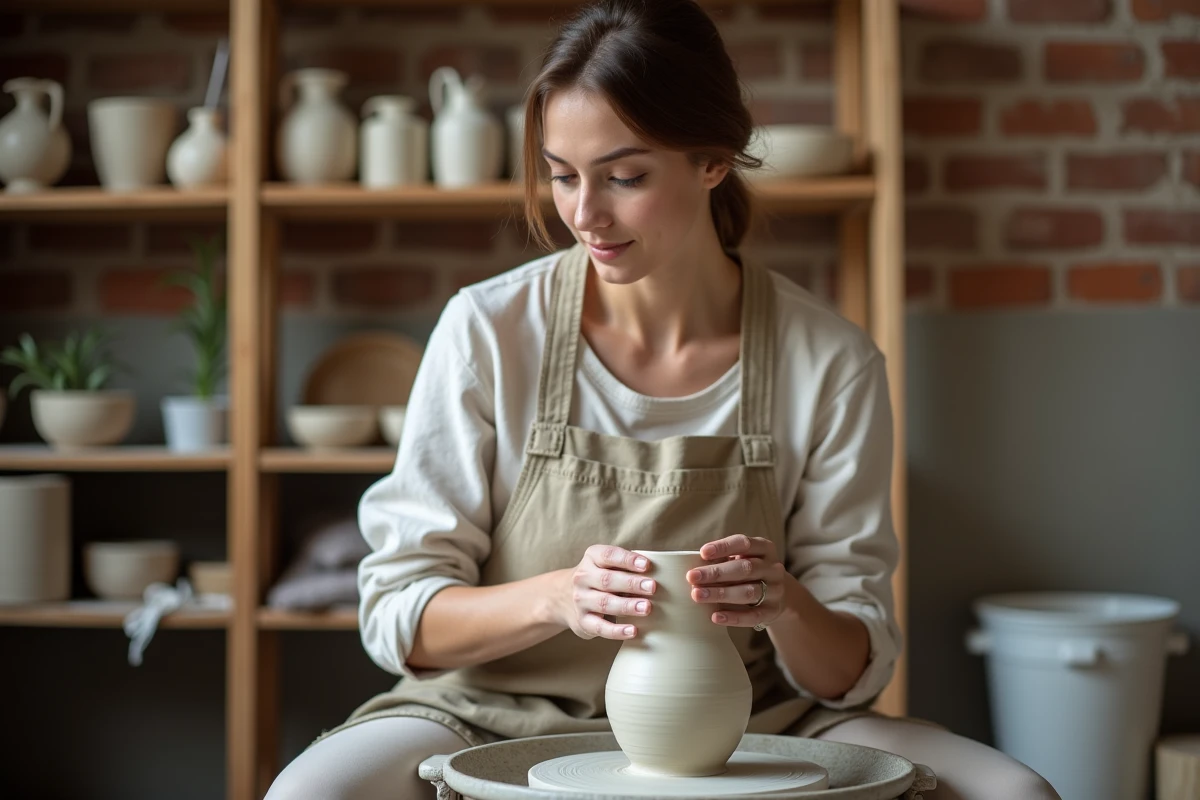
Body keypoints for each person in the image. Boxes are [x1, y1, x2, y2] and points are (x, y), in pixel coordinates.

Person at [266, 2, 1060, 798]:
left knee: (1013, 791)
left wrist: (784, 604)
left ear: (714, 160)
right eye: (562, 174)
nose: (584, 214)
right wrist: (556, 597)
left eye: (625, 176)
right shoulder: (490, 330)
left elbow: (850, 669)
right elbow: (401, 613)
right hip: (489, 708)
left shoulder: (830, 360)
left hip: (751, 719)